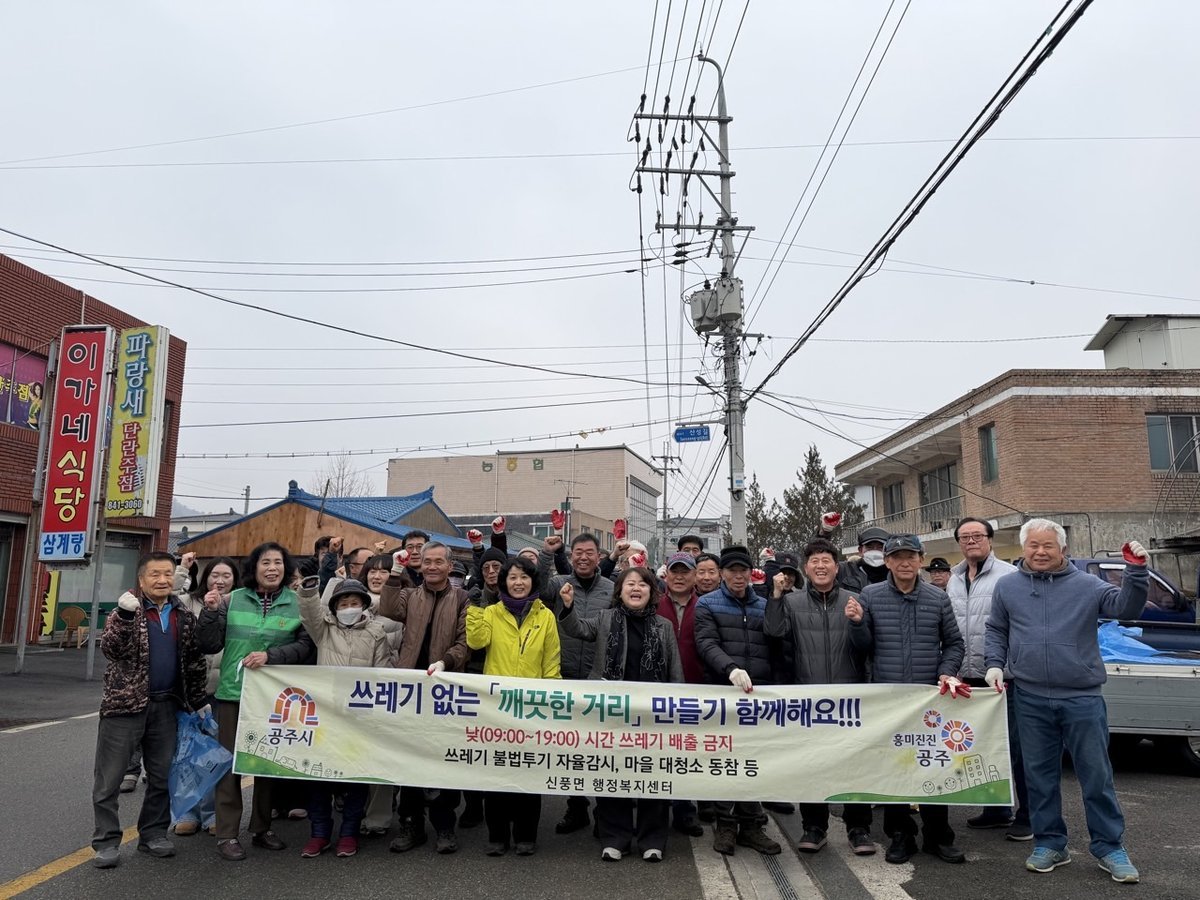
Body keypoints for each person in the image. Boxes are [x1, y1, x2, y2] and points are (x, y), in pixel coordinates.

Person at [984, 519, 1148, 884]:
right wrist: (994, 663)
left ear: (1063, 549)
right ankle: (1050, 843)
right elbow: (997, 629)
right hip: (1029, 696)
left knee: (1096, 776)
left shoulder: (1087, 585)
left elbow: (1125, 609)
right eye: (1034, 545)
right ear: (1023, 548)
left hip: (1081, 696)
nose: (1040, 552)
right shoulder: (1008, 587)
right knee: (1039, 777)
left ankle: (1109, 846)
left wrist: (1136, 572)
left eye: (1048, 546)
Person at [845, 534, 966, 865]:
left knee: (932, 766)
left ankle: (938, 835)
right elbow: (862, 646)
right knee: (894, 768)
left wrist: (946, 672)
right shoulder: (870, 595)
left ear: (920, 559)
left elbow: (954, 643)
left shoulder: (937, 598)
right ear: (887, 562)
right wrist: (856, 623)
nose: (904, 562)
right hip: (888, 700)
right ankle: (901, 835)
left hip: (929, 701)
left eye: (910, 556)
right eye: (897, 557)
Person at [90, 551, 209, 869]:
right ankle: (106, 841)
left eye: (168, 574)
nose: (162, 580)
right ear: (141, 580)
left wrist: (198, 701)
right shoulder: (126, 610)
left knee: (162, 776)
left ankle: (153, 834)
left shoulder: (184, 615)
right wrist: (125, 617)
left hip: (166, 706)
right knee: (109, 780)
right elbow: (111, 649)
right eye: (155, 574)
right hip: (124, 707)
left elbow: (193, 661)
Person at [197, 541, 315, 861]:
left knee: (266, 763)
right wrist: (209, 613)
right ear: (254, 568)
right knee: (229, 765)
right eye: (265, 562)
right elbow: (208, 644)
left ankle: (262, 828)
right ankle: (226, 834)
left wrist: (271, 656)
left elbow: (306, 646)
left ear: (286, 568)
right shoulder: (231, 599)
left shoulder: (297, 602)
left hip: (274, 698)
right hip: (233, 693)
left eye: (278, 562)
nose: (272, 568)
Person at [559, 567, 683, 861]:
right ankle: (615, 837)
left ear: (652, 592)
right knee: (612, 772)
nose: (636, 588)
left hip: (652, 714)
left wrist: (677, 704)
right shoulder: (605, 619)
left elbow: (675, 671)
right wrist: (568, 606)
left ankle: (652, 840)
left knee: (652, 775)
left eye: (643, 584)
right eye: (630, 584)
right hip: (610, 712)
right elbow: (577, 629)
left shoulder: (664, 626)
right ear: (620, 591)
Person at [764, 538, 875, 856]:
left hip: (850, 698)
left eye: (826, 560)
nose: (821, 566)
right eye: (814, 561)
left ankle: (859, 828)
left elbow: (867, 646)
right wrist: (775, 596)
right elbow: (774, 633)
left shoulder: (856, 599)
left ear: (836, 567)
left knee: (854, 764)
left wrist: (858, 623)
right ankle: (814, 826)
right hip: (808, 697)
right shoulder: (791, 601)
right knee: (812, 764)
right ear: (806, 568)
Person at [376, 541, 470, 855]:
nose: (432, 567)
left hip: (444, 687)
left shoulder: (462, 599)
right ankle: (411, 824)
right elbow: (388, 609)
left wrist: (446, 662)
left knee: (443, 758)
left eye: (438, 561)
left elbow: (465, 642)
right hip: (410, 690)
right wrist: (395, 571)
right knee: (409, 758)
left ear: (449, 565)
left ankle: (444, 826)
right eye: (427, 561)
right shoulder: (410, 594)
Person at [692, 546, 783, 857]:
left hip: (758, 697)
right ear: (722, 574)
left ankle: (751, 826)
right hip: (723, 695)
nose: (738, 576)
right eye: (731, 570)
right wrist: (730, 669)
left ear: (750, 572)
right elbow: (706, 642)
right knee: (725, 760)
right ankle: (726, 824)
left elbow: (776, 641)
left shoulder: (764, 605)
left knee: (753, 761)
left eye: (743, 570)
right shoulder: (707, 604)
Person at [465, 555, 560, 855]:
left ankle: (525, 835)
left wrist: (551, 703)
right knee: (496, 773)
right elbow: (476, 642)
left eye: (524, 577)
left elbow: (551, 663)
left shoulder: (546, 616)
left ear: (533, 581)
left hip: (532, 707)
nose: (518, 583)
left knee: (528, 772)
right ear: (504, 582)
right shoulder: (491, 612)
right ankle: (497, 835)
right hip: (497, 706)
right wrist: (476, 607)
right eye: (513, 577)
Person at [296, 578, 392, 858]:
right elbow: (309, 612)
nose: (349, 608)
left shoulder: (376, 633)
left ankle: (349, 833)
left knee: (355, 778)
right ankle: (319, 833)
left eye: (354, 603)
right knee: (319, 777)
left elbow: (383, 673)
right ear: (335, 608)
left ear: (364, 605)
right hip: (325, 715)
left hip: (359, 717)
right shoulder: (324, 630)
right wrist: (309, 589)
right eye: (343, 604)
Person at [946, 517, 1026, 840]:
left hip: (1003, 678)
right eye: (964, 537)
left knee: (1017, 748)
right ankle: (996, 809)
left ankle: (1029, 815)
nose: (971, 541)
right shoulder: (953, 579)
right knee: (983, 747)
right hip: (967, 677)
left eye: (977, 535)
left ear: (990, 539)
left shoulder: (1009, 576)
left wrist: (1007, 664)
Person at [539, 533, 615, 835]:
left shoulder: (611, 588)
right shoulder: (559, 584)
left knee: (602, 746)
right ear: (571, 557)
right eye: (578, 553)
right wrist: (547, 554)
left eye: (589, 552)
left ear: (599, 557)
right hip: (565, 673)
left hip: (599, 676)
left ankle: (605, 811)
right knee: (571, 746)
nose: (583, 557)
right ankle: (576, 806)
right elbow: (538, 588)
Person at [172, 555, 239, 837]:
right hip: (188, 692)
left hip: (221, 691)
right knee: (185, 753)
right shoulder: (188, 602)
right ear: (205, 577)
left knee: (215, 755)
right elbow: (169, 595)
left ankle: (212, 814)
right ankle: (187, 812)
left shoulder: (238, 604)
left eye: (226, 576)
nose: (220, 581)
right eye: (215, 575)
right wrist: (181, 569)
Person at [817, 514, 890, 593]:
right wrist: (825, 533)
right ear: (860, 550)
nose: (875, 551)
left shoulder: (895, 572)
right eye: (870, 547)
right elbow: (819, 558)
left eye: (880, 547)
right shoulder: (845, 570)